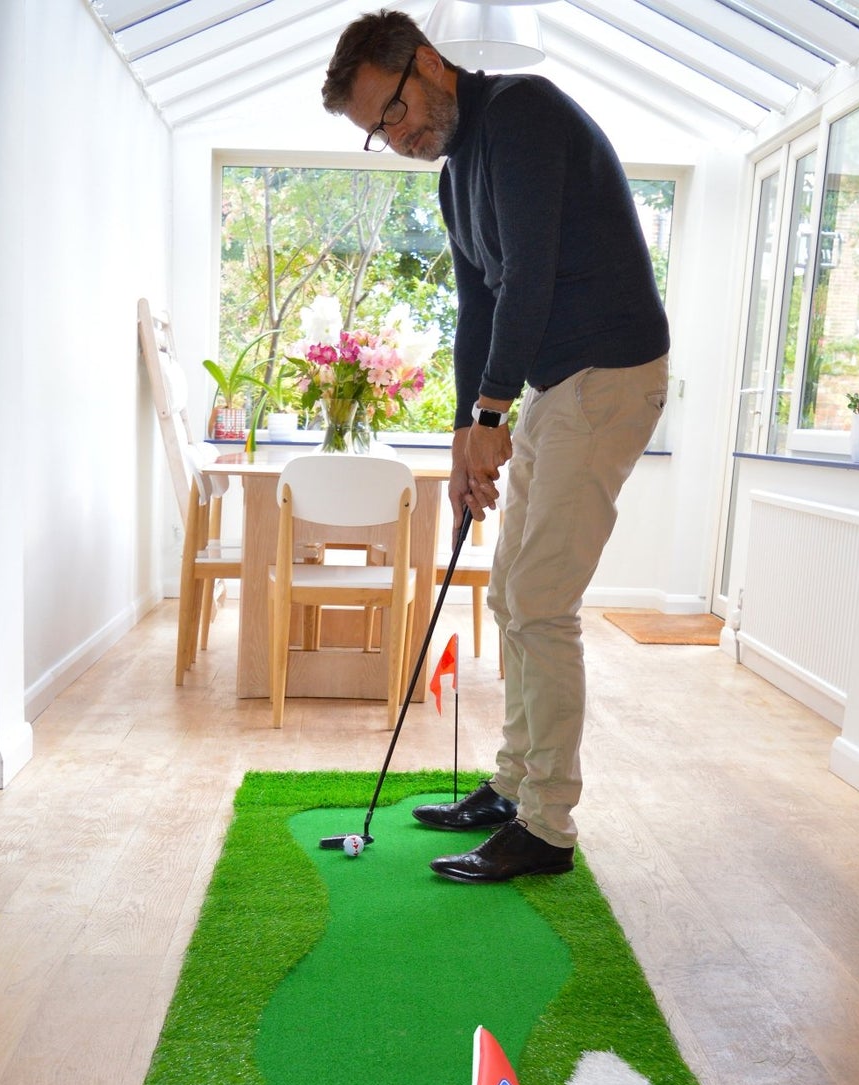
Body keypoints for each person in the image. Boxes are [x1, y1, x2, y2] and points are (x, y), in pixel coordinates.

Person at [323, 12, 669, 882]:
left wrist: (490, 412)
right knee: (514, 592)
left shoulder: (521, 113)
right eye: (377, 132)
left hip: (606, 372)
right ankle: (513, 785)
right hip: (556, 383)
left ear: (428, 63)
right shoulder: (456, 175)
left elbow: (530, 274)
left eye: (393, 111)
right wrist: (462, 433)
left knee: (540, 602)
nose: (396, 137)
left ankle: (545, 828)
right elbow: (479, 303)